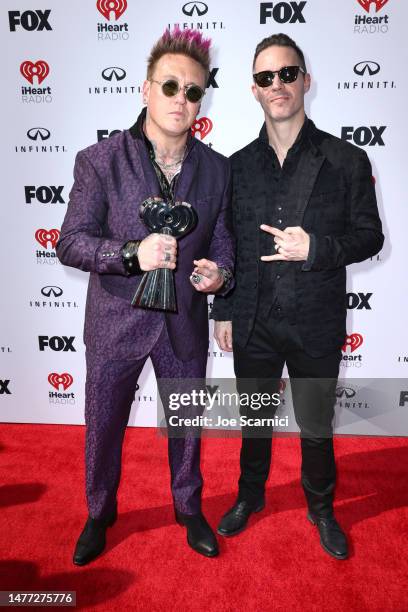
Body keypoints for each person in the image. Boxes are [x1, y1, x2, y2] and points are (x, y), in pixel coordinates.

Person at [57, 27, 234, 565]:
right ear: (145, 90)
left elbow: (224, 240)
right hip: (115, 319)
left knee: (186, 421)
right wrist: (133, 254)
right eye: (170, 86)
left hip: (183, 321)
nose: (181, 99)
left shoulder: (217, 167)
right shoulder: (100, 160)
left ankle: (187, 506)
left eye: (193, 90)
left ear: (202, 98)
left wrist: (219, 274)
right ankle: (99, 511)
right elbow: (70, 242)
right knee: (104, 422)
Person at [211, 33, 383, 560]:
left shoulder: (346, 160)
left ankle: (322, 508)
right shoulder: (234, 167)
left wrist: (316, 248)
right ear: (254, 90)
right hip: (254, 317)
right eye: (266, 78)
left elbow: (370, 237)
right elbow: (228, 243)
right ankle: (249, 497)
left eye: (287, 74)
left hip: (315, 318)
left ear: (305, 81)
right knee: (255, 421)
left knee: (314, 426)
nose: (277, 85)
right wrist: (223, 309)